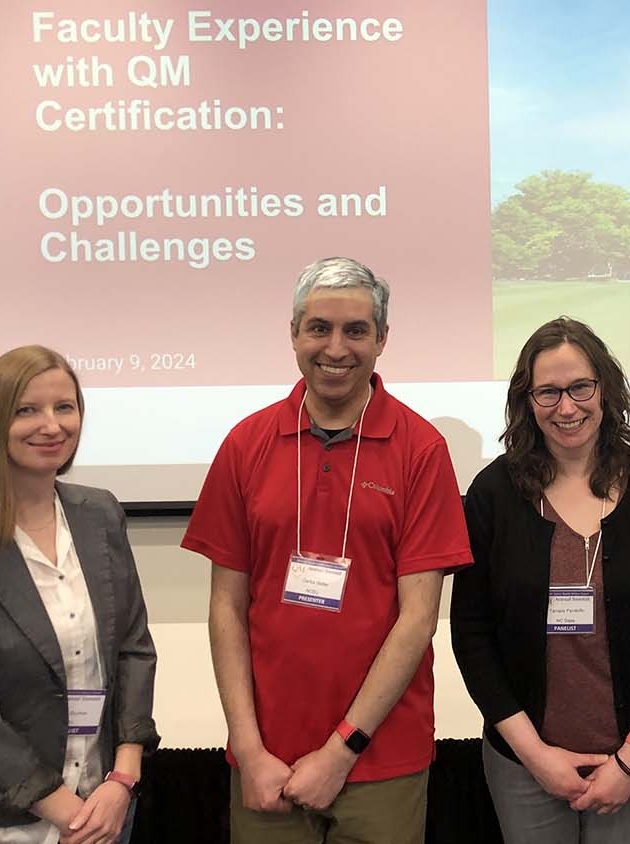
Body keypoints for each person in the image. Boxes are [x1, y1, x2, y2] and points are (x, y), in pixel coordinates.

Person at [183, 257, 471, 844]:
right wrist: (248, 746)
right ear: (293, 334)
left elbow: (417, 621)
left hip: (380, 759)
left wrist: (342, 750)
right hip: (267, 762)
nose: (335, 347)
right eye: (318, 328)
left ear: (382, 339)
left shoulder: (422, 450)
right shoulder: (246, 444)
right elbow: (225, 608)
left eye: (356, 330)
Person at [451, 317, 630, 843]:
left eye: (580, 387)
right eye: (548, 392)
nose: (567, 408)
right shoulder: (494, 493)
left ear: (605, 389)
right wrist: (535, 756)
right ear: (527, 400)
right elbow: (472, 634)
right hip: (524, 763)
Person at [0, 345, 158, 844]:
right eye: (27, 410)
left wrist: (123, 778)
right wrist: (65, 810)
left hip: (106, 805)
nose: (52, 425)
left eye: (65, 407)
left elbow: (132, 648)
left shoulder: (100, 514)